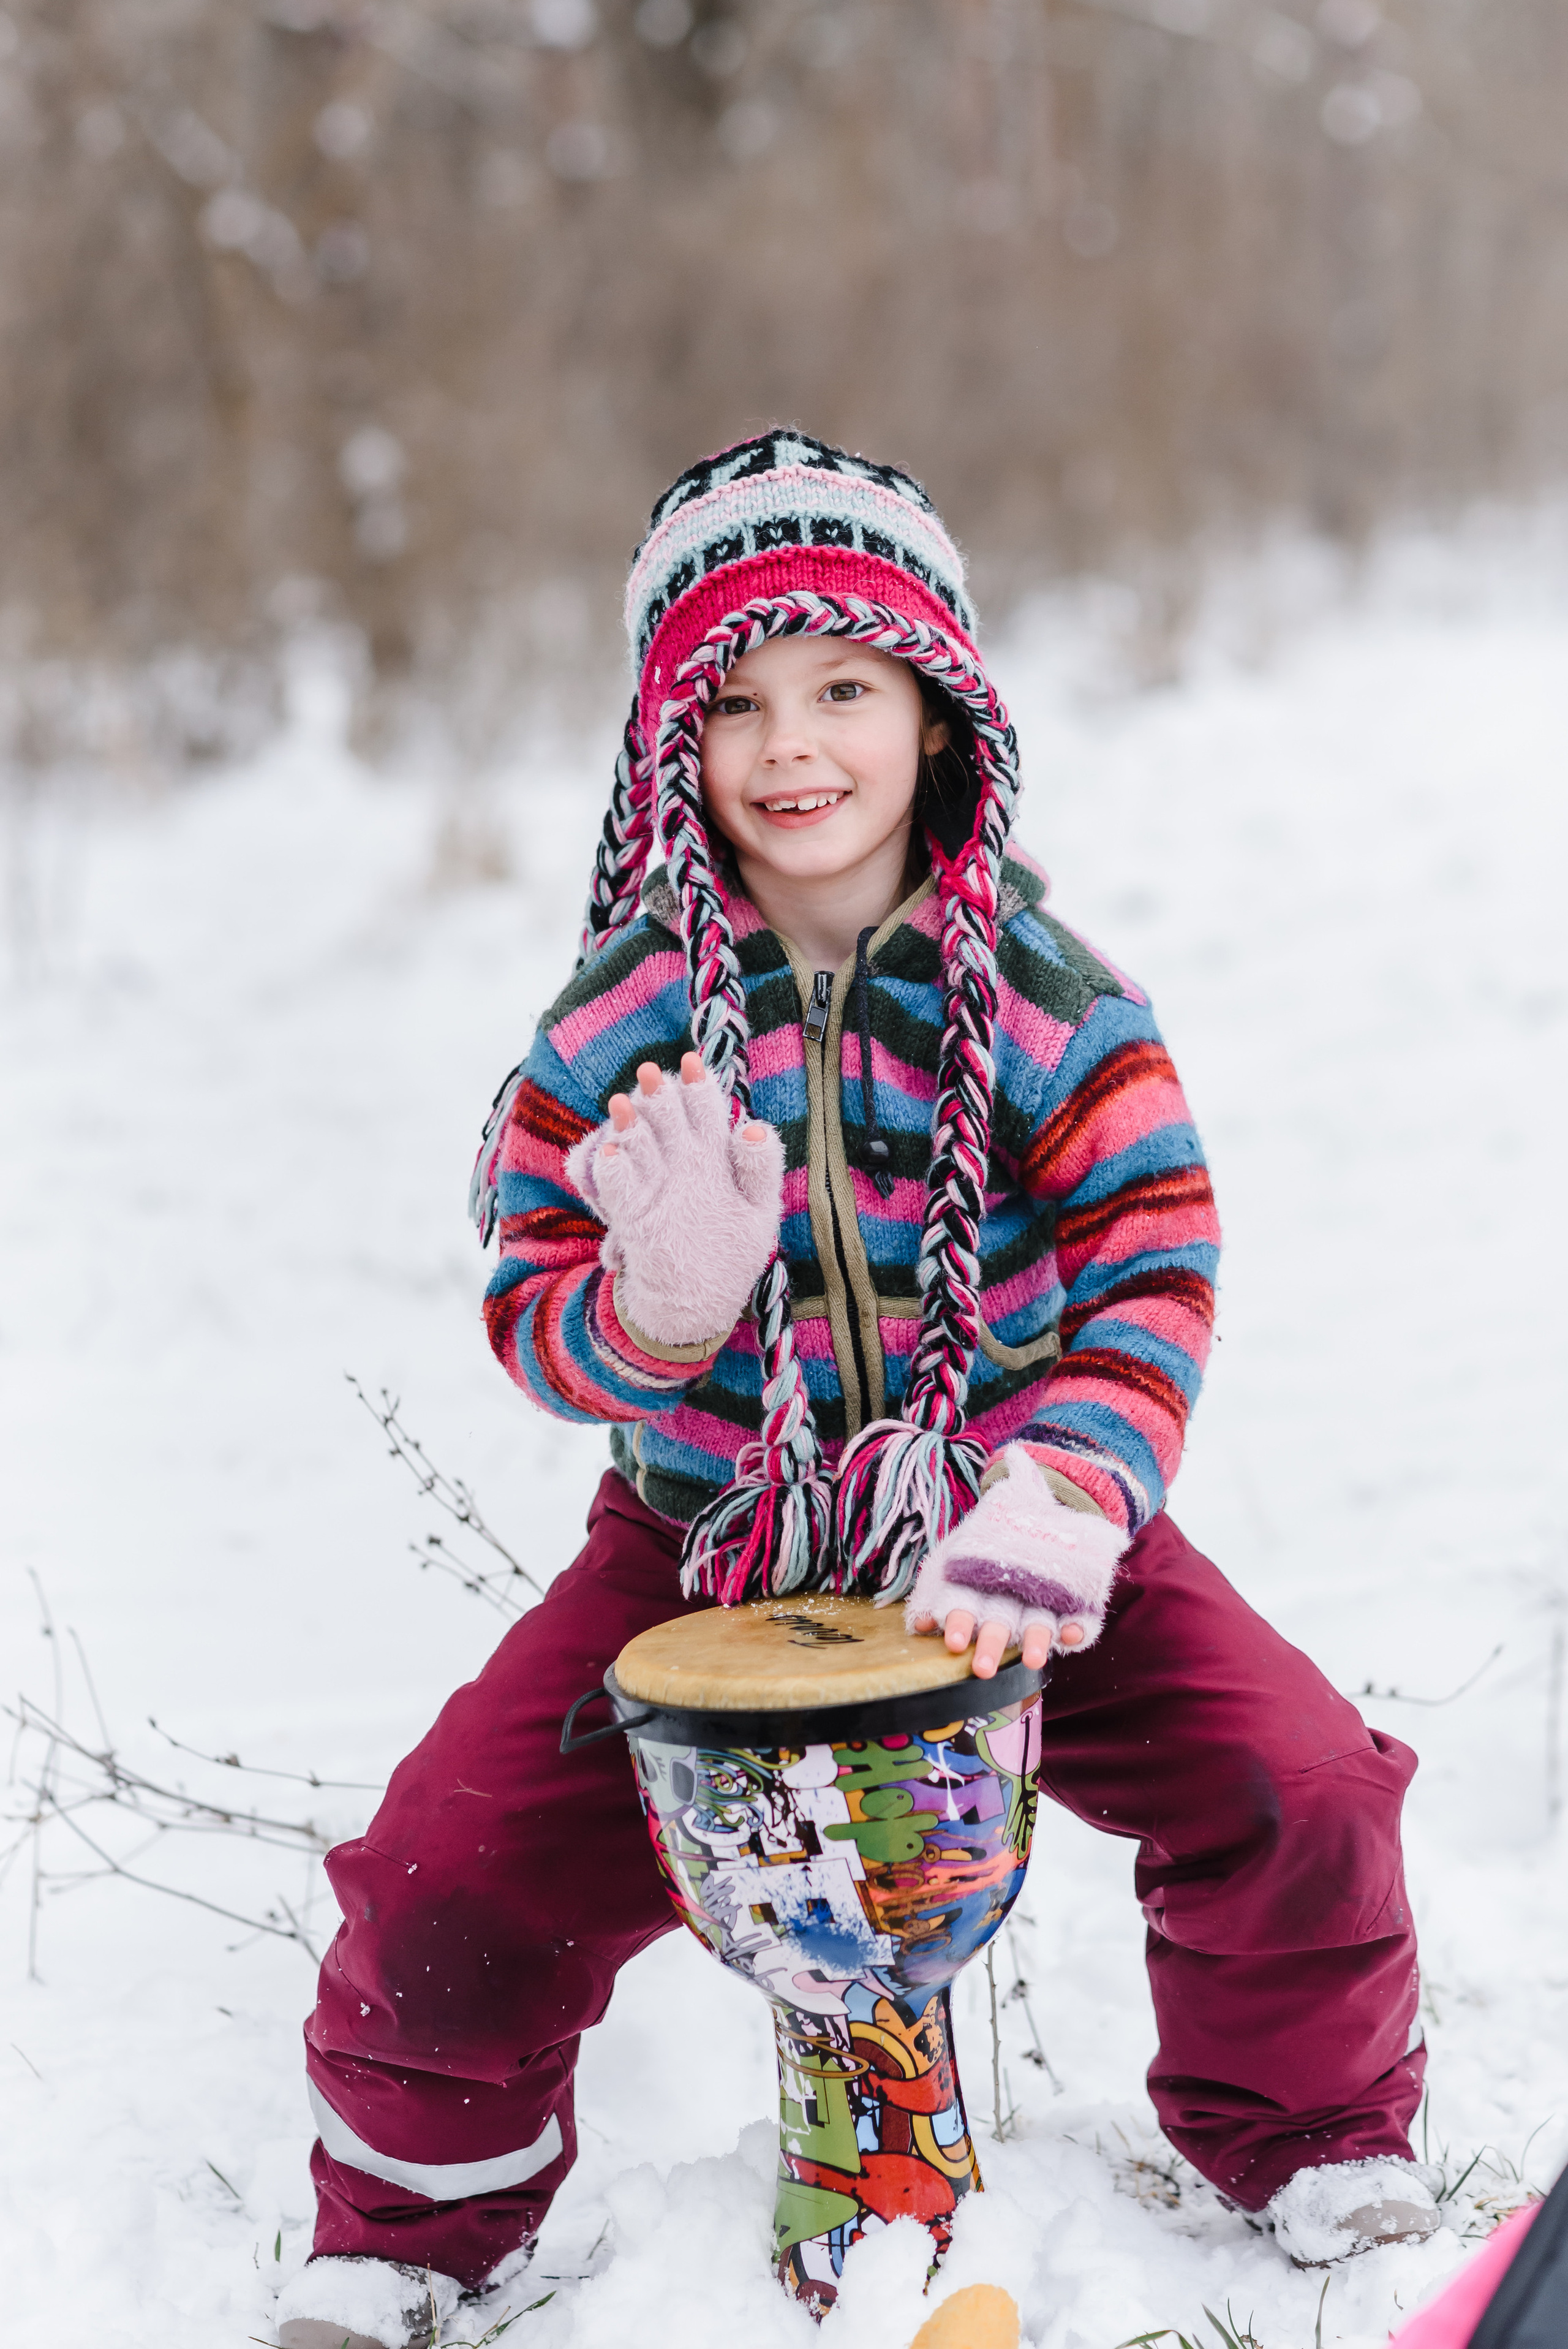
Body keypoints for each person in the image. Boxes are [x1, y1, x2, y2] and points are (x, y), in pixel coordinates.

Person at [276, 434, 1439, 2349]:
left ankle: (1309, 2132)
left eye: (843, 688)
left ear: (938, 710)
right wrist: (653, 1308)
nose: (790, 744)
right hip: (704, 1540)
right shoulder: (617, 1021)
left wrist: (1070, 1490)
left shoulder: (1059, 995)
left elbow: (1157, 1264)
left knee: (1295, 1780)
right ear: (673, 741)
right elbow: (532, 1316)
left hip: (1009, 1530)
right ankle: (409, 2227)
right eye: (732, 702)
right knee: (446, 1865)